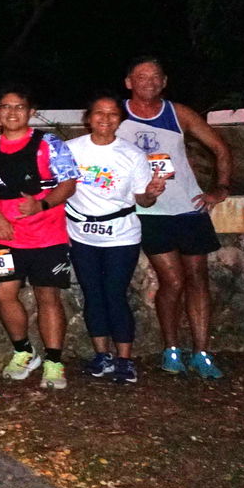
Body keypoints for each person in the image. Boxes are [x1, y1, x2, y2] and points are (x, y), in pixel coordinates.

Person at [116, 57, 233, 379]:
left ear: (164, 81)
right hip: (148, 210)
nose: (149, 82)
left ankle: (202, 352)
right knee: (173, 281)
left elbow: (220, 148)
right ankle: (171, 348)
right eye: (141, 77)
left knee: (198, 279)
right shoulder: (116, 116)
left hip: (189, 207)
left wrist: (220, 188)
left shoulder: (178, 113)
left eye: (155, 77)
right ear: (129, 82)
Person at [0, 85, 79, 390]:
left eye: (19, 107)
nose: (12, 112)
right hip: (7, 237)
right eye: (5, 107)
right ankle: (24, 351)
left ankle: (54, 361)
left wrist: (41, 204)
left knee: (48, 297)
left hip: (48, 237)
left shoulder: (50, 144)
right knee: (3, 294)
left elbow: (69, 182)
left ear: (31, 112)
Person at [71, 95, 164, 383]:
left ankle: (125, 359)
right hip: (81, 233)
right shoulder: (70, 150)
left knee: (115, 293)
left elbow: (143, 201)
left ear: (120, 120)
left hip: (121, 235)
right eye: (99, 113)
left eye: (113, 114)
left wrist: (152, 192)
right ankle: (102, 355)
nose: (106, 119)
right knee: (93, 294)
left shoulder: (132, 154)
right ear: (88, 118)